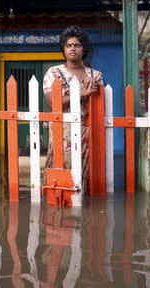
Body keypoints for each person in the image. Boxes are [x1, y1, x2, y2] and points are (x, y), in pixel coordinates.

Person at [42, 25, 103, 192]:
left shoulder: (95, 75)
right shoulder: (54, 73)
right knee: (61, 171)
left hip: (88, 131)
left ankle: (84, 208)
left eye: (77, 45)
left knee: (87, 173)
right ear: (63, 49)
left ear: (84, 48)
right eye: (68, 46)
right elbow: (53, 102)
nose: (73, 49)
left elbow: (100, 103)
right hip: (63, 131)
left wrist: (95, 88)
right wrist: (82, 93)